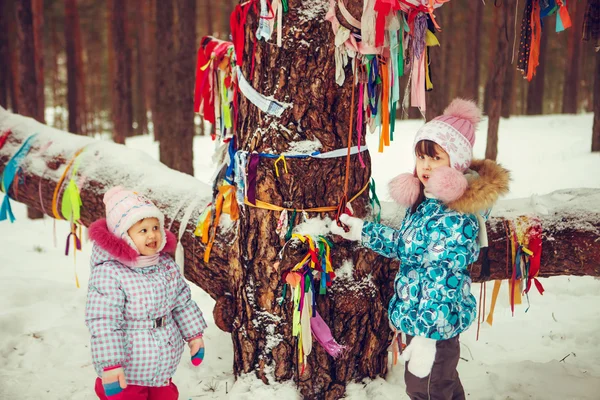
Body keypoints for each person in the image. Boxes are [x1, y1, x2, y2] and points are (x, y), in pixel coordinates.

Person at [331, 98, 509, 399]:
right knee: (442, 385)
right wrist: (362, 231)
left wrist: (428, 334)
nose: (425, 166)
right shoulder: (428, 202)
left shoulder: (456, 214)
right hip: (423, 318)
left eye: (436, 158)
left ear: (457, 162)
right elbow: (407, 247)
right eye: (421, 156)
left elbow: (441, 273)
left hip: (434, 323)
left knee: (425, 389)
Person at [85, 186, 208, 399]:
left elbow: (182, 303)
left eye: (155, 227)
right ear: (124, 236)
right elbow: (104, 321)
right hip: (127, 370)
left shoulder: (165, 265)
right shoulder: (109, 273)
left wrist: (194, 335)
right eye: (143, 230)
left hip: (162, 365)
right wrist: (111, 364)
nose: (152, 235)